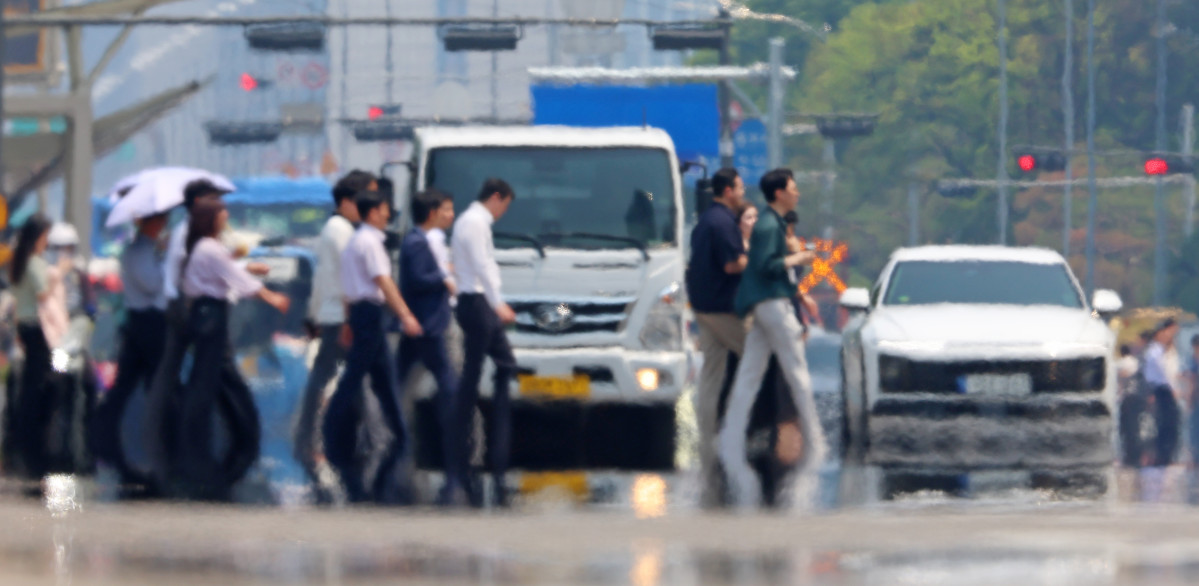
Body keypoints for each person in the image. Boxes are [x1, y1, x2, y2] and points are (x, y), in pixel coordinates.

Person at [716, 168, 824, 509]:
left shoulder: (772, 224)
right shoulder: (767, 226)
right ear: (778, 193)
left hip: (764, 304)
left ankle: (730, 439)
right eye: (793, 188)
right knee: (798, 373)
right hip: (773, 305)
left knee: (750, 374)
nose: (797, 193)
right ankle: (817, 440)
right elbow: (765, 266)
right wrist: (801, 257)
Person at [174, 198, 290, 500]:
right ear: (210, 219)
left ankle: (241, 437)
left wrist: (248, 267)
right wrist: (272, 298)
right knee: (204, 382)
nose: (226, 216)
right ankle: (203, 450)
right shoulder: (209, 248)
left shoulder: (206, 248)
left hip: (210, 315)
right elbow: (237, 278)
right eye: (221, 212)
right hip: (211, 317)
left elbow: (230, 269)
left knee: (219, 377)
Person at [323, 190, 422, 503]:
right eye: (384, 210)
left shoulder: (357, 240)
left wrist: (349, 319)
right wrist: (405, 314)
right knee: (356, 375)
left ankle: (399, 432)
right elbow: (384, 282)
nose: (387, 214)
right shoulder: (370, 241)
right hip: (370, 312)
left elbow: (346, 284)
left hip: (363, 312)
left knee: (383, 376)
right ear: (374, 212)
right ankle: (331, 429)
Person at [294, 170, 375, 498]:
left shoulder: (337, 230)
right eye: (366, 199)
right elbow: (346, 281)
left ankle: (335, 438)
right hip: (340, 318)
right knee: (342, 378)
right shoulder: (340, 231)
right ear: (346, 202)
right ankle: (323, 440)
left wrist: (313, 315)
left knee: (338, 378)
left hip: (331, 316)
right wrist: (347, 320)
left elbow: (321, 280)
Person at [451, 178, 519, 507]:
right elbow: (483, 264)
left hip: (475, 301)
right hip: (478, 301)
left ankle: (482, 434)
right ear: (496, 198)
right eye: (505, 206)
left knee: (499, 364)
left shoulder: (469, 220)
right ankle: (477, 437)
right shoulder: (477, 222)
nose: (504, 213)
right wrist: (498, 302)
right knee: (480, 370)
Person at [684, 167, 749, 508]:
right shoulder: (723, 222)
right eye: (739, 188)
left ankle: (709, 443)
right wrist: (758, 259)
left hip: (704, 307)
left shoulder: (707, 220)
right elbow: (732, 265)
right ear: (727, 190)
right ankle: (749, 435)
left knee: (712, 374)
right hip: (723, 310)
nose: (742, 193)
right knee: (760, 358)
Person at [90, 212, 169, 487]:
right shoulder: (138, 252)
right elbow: (154, 284)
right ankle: (111, 445)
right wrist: (168, 260)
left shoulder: (147, 251)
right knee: (151, 387)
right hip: (146, 322)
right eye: (160, 220)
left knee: (133, 387)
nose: (163, 224)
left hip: (146, 322)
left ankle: (121, 448)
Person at [398, 189, 465, 505]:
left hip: (429, 321)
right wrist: (444, 278)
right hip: (426, 324)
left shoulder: (432, 240)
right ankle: (452, 437)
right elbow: (418, 279)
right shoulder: (416, 243)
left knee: (399, 380)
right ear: (432, 212)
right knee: (445, 382)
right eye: (447, 210)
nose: (451, 215)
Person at [9, 214, 55, 478]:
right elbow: (43, 293)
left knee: (29, 386)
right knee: (41, 387)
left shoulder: (18, 261)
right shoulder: (35, 263)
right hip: (38, 330)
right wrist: (59, 271)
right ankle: (36, 447)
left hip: (24, 327)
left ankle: (21, 445)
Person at [1137, 319, 1182, 467]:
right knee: (1164, 423)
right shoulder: (1155, 351)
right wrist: (1172, 388)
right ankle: (1163, 456)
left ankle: (1166, 455)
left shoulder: (1163, 350)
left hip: (1163, 389)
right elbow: (1162, 373)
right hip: (1161, 390)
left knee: (1169, 423)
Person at [46, 223, 96, 319]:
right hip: (53, 316)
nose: (66, 252)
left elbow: (87, 294)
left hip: (74, 315)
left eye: (70, 248)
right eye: (60, 248)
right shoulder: (47, 268)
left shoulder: (78, 266)